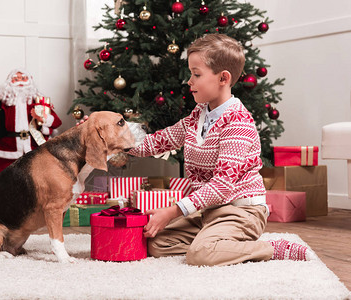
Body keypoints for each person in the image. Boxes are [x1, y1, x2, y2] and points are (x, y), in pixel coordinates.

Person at [128, 34, 314, 266]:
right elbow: (161, 141)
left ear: (223, 78)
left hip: (240, 212)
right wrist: (118, 142)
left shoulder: (237, 122)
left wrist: (174, 211)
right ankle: (215, 241)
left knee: (201, 255)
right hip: (208, 211)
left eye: (196, 74)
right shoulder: (198, 116)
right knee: (154, 243)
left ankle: (270, 248)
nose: (189, 81)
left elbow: (222, 185)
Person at [0, 68, 62, 178]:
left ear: (30, 81)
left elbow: (56, 122)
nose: (20, 81)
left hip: (34, 147)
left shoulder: (39, 102)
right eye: (16, 79)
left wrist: (43, 118)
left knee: (35, 179)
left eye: (23, 78)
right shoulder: (1, 102)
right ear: (9, 83)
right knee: (3, 180)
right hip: (6, 148)